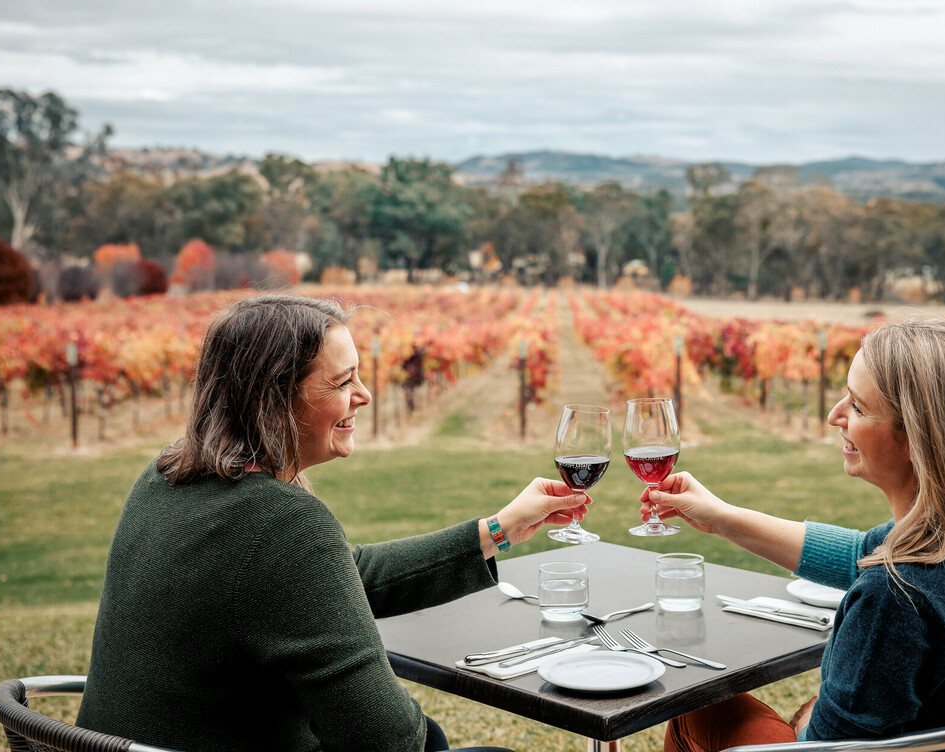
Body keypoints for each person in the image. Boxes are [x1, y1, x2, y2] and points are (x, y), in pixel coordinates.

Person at [77, 294, 590, 752]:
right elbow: (384, 739)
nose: (364, 395)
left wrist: (497, 529)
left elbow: (335, 574)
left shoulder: (166, 475)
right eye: (344, 382)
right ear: (274, 399)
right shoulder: (280, 523)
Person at [642, 316, 945, 752]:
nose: (835, 415)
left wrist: (809, 724)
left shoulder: (895, 597)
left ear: (916, 439)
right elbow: (860, 552)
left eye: (857, 406)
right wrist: (721, 517)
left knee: (695, 707)